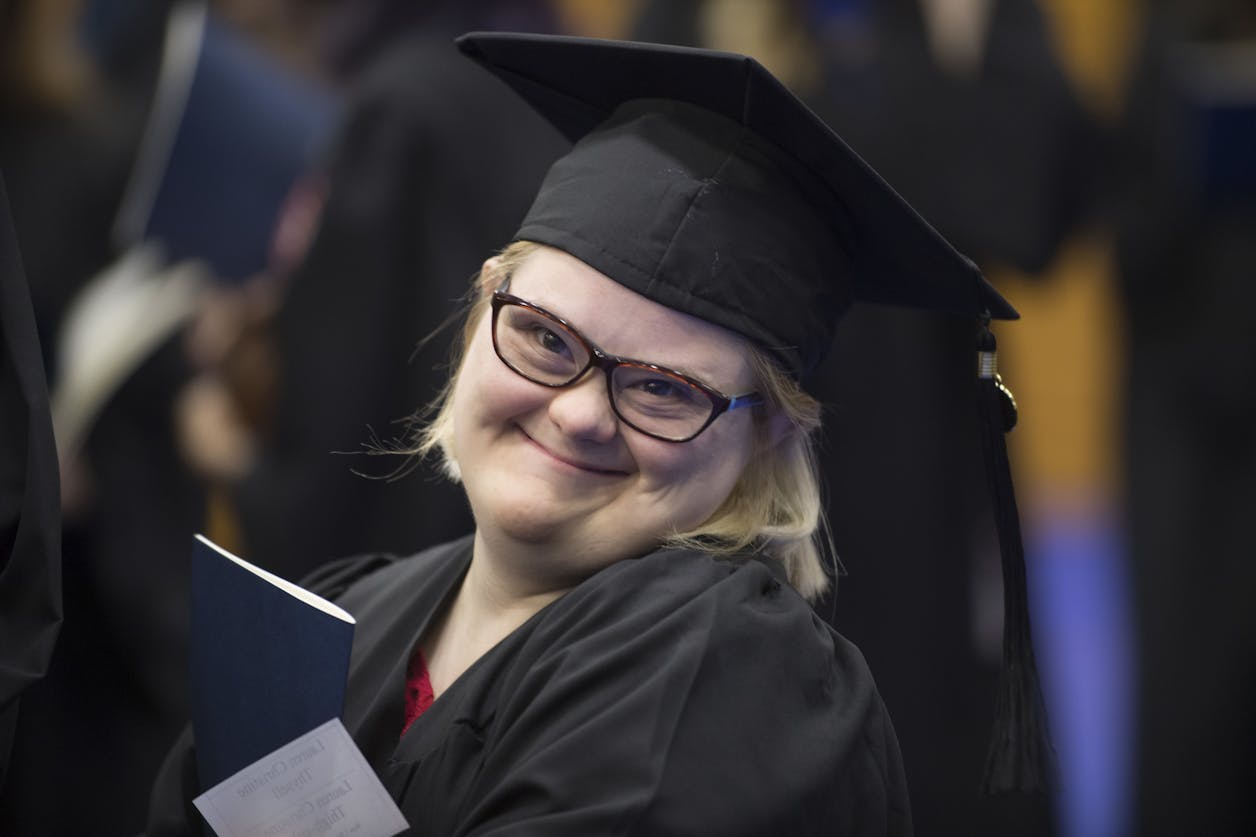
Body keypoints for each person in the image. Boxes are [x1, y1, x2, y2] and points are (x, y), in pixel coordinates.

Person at [146, 32, 1049, 835]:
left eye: (661, 388)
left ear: (764, 438)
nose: (578, 410)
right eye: (544, 337)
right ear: (476, 319)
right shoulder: (345, 614)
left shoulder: (733, 683)